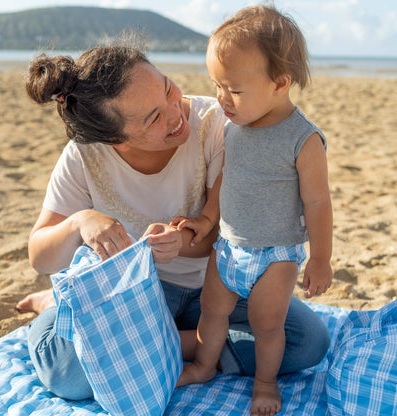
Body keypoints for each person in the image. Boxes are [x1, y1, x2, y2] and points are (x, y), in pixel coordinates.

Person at [17, 40, 331, 402]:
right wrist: (80, 223)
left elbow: (232, 229)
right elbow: (40, 256)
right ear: (115, 141)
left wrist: (181, 244)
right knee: (66, 372)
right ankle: (189, 341)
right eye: (154, 118)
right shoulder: (85, 156)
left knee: (308, 341)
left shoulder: (218, 124)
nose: (175, 112)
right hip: (134, 295)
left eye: (167, 88)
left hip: (217, 285)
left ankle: (164, 342)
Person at [173, 5, 333, 416]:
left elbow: (318, 203)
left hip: (274, 256)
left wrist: (320, 258)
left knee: (267, 326)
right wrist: (208, 219)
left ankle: (264, 383)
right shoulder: (235, 125)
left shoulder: (303, 139)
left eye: (235, 90)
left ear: (280, 83)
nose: (222, 98)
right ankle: (205, 365)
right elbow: (229, 178)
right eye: (216, 85)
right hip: (227, 246)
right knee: (212, 312)